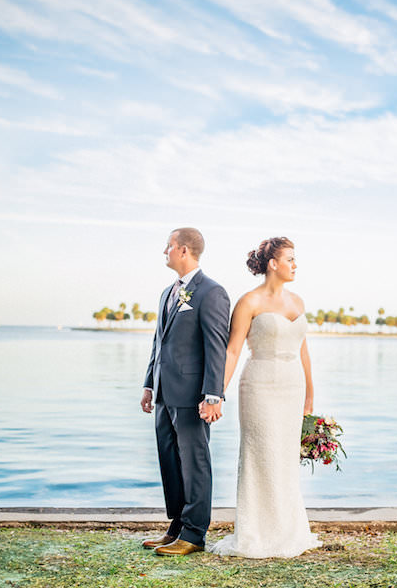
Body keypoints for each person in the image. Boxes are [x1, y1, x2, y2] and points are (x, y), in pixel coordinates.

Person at [208, 236, 321, 558]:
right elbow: (232, 351)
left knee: (284, 457)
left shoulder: (297, 302)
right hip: (259, 385)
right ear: (273, 264)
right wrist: (216, 395)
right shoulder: (249, 302)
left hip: (292, 385)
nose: (295, 265)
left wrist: (310, 397)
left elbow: (304, 352)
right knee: (261, 456)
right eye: (291, 259)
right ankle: (255, 532)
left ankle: (288, 530)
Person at [139, 228, 230, 556]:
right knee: (171, 462)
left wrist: (212, 395)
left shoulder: (212, 292)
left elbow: (215, 346)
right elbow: (158, 342)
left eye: (169, 245)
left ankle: (194, 534)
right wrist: (149, 383)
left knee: (195, 463)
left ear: (184, 250)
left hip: (193, 396)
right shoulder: (167, 293)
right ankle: (177, 527)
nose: (165, 250)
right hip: (164, 393)